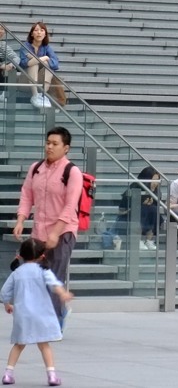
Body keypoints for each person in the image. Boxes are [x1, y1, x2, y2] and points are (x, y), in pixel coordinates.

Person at [13, 126, 82, 325]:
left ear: (66, 148)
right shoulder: (36, 168)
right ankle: (47, 316)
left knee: (53, 277)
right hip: (38, 232)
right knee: (36, 276)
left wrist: (56, 233)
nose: (49, 147)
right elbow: (27, 195)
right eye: (48, 142)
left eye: (55, 144)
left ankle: (53, 323)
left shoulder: (72, 172)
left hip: (63, 232)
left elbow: (70, 206)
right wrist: (20, 219)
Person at [0, 240, 73, 387]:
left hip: (23, 315)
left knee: (19, 344)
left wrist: (7, 304)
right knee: (44, 345)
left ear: (21, 255)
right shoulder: (43, 270)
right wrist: (63, 293)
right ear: (42, 255)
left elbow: (4, 292)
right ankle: (51, 375)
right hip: (41, 314)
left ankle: (8, 374)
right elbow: (54, 284)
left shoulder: (17, 273)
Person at [114, 167, 161, 250]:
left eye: (157, 180)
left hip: (147, 217)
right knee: (143, 209)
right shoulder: (134, 188)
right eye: (153, 180)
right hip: (128, 216)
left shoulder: (156, 191)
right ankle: (138, 240)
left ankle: (148, 240)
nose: (155, 183)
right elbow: (122, 209)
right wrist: (141, 204)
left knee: (154, 209)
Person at [20, 22, 59, 109]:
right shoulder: (25, 46)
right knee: (34, 64)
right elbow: (23, 63)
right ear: (32, 34)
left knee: (46, 63)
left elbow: (55, 64)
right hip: (25, 79)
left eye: (42, 30)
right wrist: (43, 58)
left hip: (41, 79)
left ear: (45, 34)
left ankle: (42, 95)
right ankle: (35, 95)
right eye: (36, 30)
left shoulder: (46, 47)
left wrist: (45, 59)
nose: (39, 32)